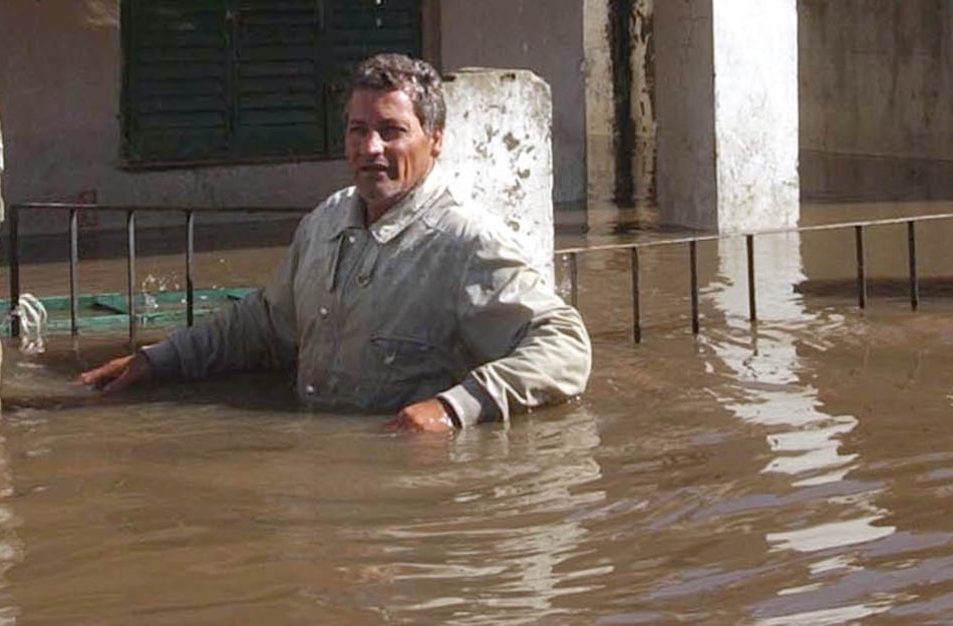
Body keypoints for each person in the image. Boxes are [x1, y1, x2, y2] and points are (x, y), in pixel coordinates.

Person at [79, 53, 591, 433]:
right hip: (317, 466)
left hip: (407, 494)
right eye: (357, 130)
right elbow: (263, 324)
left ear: (435, 140)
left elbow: (564, 347)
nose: (371, 148)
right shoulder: (324, 223)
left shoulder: (465, 242)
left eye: (392, 131)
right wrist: (159, 359)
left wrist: (454, 409)